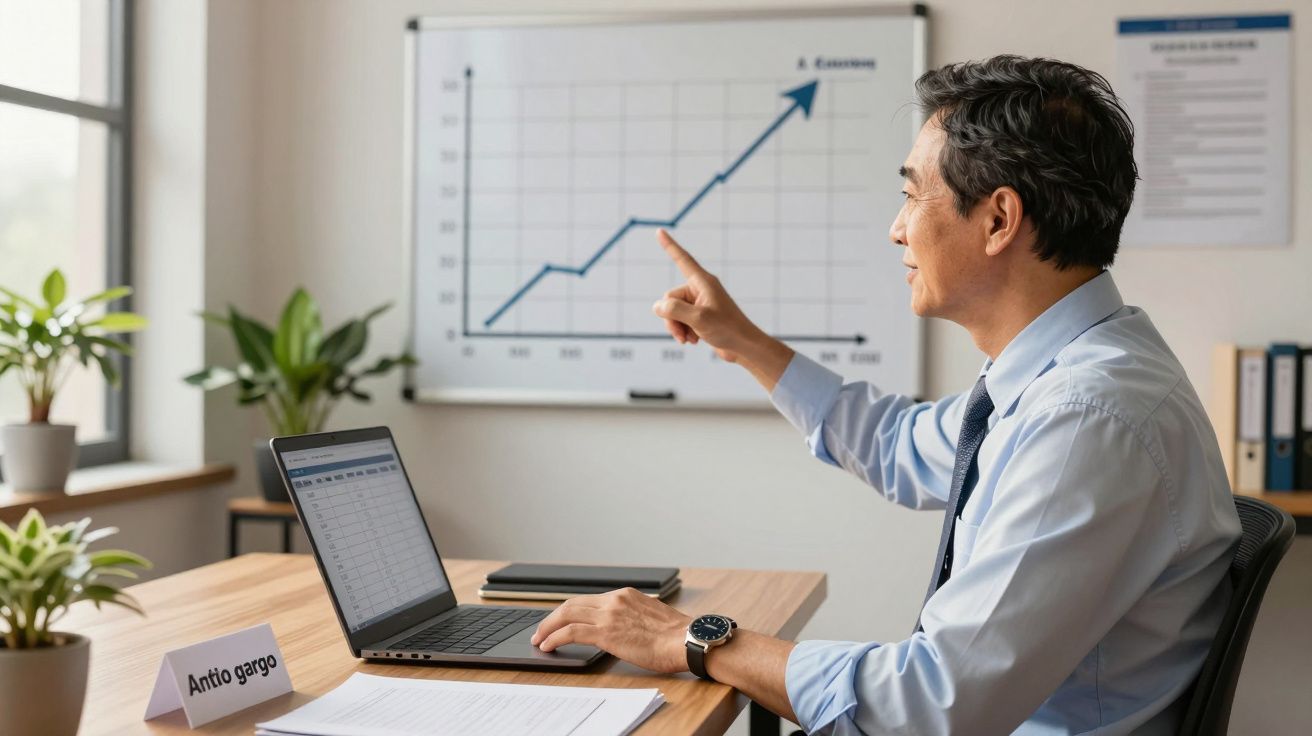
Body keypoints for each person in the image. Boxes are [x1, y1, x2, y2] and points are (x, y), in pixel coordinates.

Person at [531, 55, 1241, 735]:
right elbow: (899, 445)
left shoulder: (1087, 423)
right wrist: (741, 339)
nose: (896, 228)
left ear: (998, 220)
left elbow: (931, 706)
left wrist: (695, 636)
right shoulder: (1067, 377)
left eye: (910, 195)